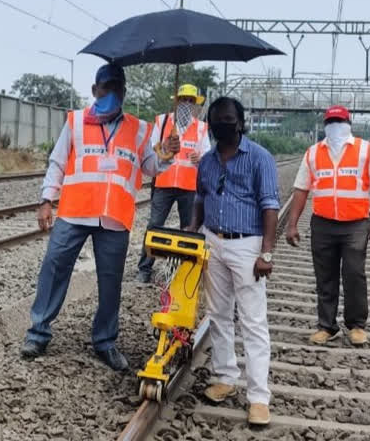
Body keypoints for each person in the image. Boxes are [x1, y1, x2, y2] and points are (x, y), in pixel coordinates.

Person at [21, 63, 180, 371]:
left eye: (117, 87)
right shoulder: (76, 122)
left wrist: (166, 154)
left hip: (114, 218)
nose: (112, 93)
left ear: (123, 91)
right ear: (95, 90)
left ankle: (105, 341)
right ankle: (38, 333)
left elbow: (150, 167)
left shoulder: (137, 127)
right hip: (74, 212)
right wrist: (46, 201)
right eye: (106, 87)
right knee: (54, 268)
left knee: (111, 283)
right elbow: (56, 162)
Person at [186, 96, 279, 426]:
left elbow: (270, 206)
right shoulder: (208, 161)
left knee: (253, 321)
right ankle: (225, 377)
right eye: (216, 120)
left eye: (228, 119)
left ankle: (258, 397)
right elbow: (201, 196)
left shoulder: (259, 158)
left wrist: (266, 252)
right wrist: (193, 227)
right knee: (218, 316)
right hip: (214, 241)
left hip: (247, 245)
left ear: (240, 123)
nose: (221, 124)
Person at [286, 105, 370, 347]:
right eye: (331, 122)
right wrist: (292, 225)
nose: (335, 126)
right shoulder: (313, 153)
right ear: (325, 125)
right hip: (322, 223)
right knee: (325, 276)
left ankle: (356, 326)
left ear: (348, 123)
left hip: (355, 224)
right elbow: (301, 190)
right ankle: (326, 326)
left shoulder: (365, 150)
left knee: (354, 274)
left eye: (339, 121)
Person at [136, 83, 211, 283]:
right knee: (154, 225)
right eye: (183, 99)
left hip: (189, 186)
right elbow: (152, 148)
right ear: (176, 102)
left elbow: (207, 155)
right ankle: (144, 269)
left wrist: (200, 159)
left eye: (191, 101)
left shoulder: (202, 128)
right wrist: (164, 148)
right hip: (164, 182)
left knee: (188, 229)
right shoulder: (162, 122)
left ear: (196, 105)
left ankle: (185, 271)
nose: (186, 104)